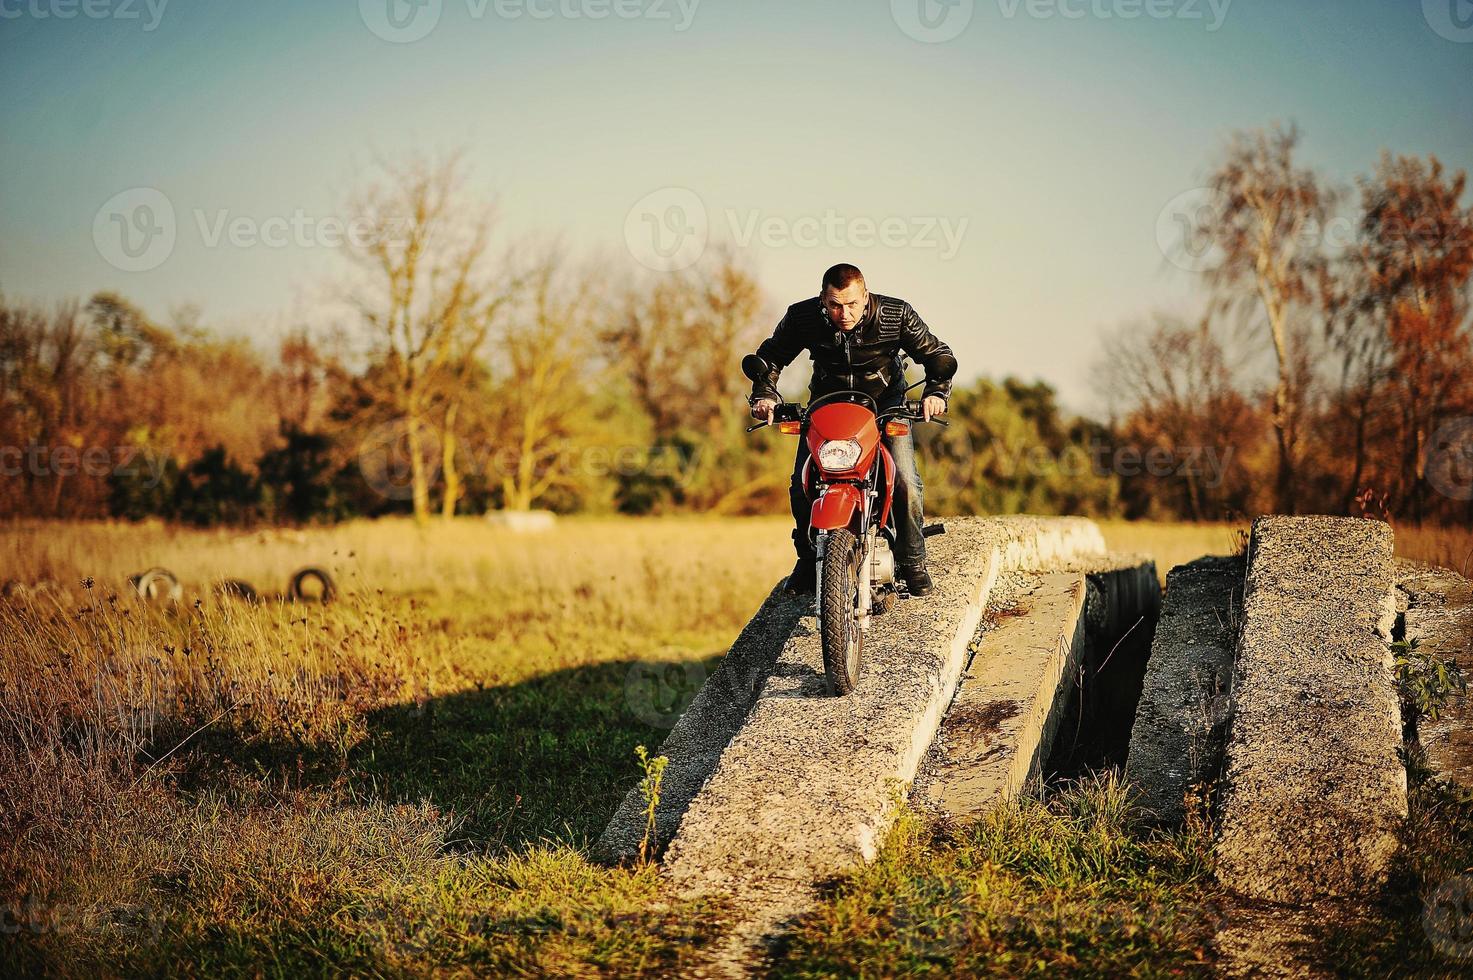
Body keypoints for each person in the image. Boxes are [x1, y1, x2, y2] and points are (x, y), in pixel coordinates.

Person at [747, 263, 956, 596]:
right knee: (802, 482)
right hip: (828, 404)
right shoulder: (803, 317)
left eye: (852, 304)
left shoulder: (895, 313)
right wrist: (765, 394)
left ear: (865, 294)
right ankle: (806, 558)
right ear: (822, 299)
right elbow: (770, 357)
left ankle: (913, 560)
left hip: (887, 404)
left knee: (907, 482)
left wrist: (935, 393)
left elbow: (937, 355)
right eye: (834, 305)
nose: (843, 313)